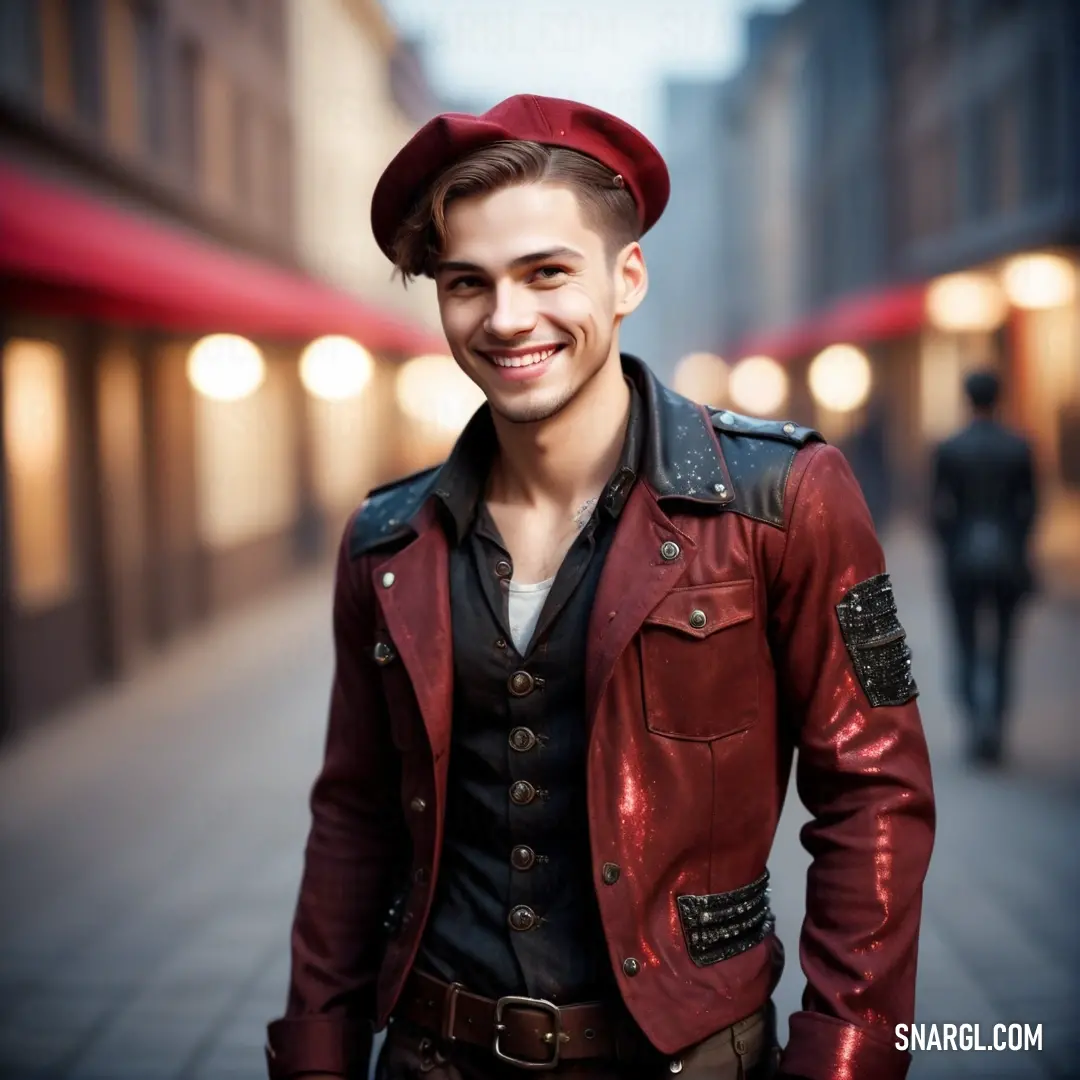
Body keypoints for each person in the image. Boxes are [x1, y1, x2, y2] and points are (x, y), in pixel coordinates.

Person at [265, 95, 935, 1080]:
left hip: (687, 1058)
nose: (505, 318)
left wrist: (844, 1057)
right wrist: (318, 1054)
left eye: (546, 273)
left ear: (627, 277)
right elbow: (354, 814)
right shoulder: (384, 540)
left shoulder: (786, 497)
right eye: (467, 283)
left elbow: (877, 792)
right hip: (433, 1055)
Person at [931, 369, 1038, 764]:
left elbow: (939, 510)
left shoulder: (950, 448)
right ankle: (997, 725)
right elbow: (1030, 508)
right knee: (1004, 647)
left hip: (962, 558)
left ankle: (975, 720)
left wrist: (950, 547)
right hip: (1008, 557)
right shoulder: (1018, 446)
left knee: (966, 642)